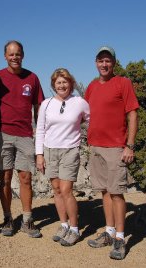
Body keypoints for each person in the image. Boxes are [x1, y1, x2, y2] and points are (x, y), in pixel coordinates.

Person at [0, 40, 45, 238]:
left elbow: (39, 108)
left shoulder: (32, 78)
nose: (14, 57)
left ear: (23, 55)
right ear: (5, 56)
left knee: (26, 178)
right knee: (5, 178)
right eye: (11, 54)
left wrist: (40, 132)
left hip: (26, 134)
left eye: (18, 54)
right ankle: (8, 218)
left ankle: (27, 219)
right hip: (2, 134)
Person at [85, 46, 139, 260]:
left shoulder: (123, 83)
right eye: (100, 61)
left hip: (117, 147)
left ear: (113, 63)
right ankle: (108, 232)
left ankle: (119, 237)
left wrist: (130, 145)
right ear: (96, 63)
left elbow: (132, 114)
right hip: (96, 146)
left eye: (108, 61)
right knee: (105, 191)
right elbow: (85, 113)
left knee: (116, 193)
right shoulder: (91, 86)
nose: (104, 64)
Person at [35, 68, 90, 246]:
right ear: (53, 85)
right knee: (57, 190)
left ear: (71, 83)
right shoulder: (46, 104)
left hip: (70, 150)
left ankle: (74, 228)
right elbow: (41, 129)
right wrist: (39, 155)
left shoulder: (80, 102)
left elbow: (91, 119)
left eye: (65, 82)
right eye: (58, 82)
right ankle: (64, 224)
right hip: (50, 150)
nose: (62, 85)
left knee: (66, 190)